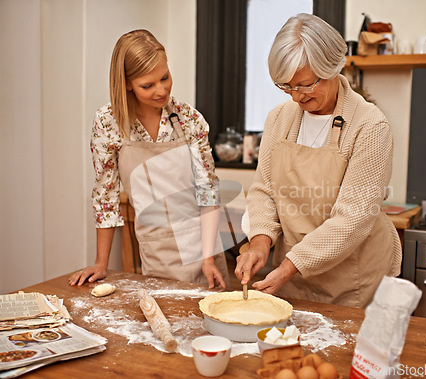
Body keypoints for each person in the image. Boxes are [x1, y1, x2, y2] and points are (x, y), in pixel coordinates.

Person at [235, 14, 402, 308]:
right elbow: (263, 191)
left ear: (334, 68)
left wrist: (289, 266)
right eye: (286, 86)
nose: (296, 96)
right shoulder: (280, 118)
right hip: (292, 275)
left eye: (305, 84)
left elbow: (352, 219)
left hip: (352, 279)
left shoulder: (370, 126)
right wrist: (260, 243)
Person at [69, 29, 229, 289]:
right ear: (127, 83)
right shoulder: (109, 123)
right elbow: (106, 197)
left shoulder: (189, 119)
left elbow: (208, 193)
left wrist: (208, 260)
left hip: (204, 250)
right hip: (155, 254)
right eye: (148, 85)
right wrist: (101, 263)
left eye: (165, 77)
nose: (162, 90)